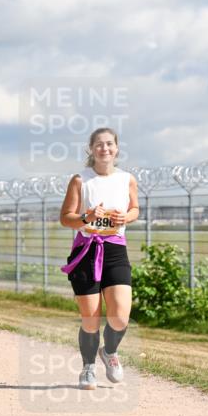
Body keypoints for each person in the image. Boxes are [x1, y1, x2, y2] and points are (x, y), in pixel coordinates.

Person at [59, 127, 139, 390]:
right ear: (91, 149)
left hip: (115, 249)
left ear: (116, 149)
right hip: (86, 251)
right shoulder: (80, 180)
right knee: (90, 318)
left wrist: (125, 217)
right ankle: (88, 367)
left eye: (109, 144)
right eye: (99, 145)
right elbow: (65, 218)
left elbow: (135, 209)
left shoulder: (127, 179)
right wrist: (87, 217)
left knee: (120, 317)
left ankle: (110, 352)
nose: (104, 149)